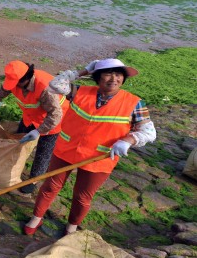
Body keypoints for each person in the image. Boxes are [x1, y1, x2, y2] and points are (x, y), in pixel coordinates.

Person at [23, 58, 156, 236]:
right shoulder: (79, 92)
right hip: (67, 150)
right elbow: (55, 85)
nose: (113, 79)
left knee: (82, 196)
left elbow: (149, 132)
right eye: (108, 74)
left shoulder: (134, 103)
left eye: (118, 75)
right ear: (98, 77)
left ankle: (71, 227)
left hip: (99, 158)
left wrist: (129, 140)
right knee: (50, 186)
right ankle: (36, 218)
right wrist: (83, 71)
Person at [0, 60, 68, 193]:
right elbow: (2, 91)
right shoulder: (14, 81)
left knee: (43, 152)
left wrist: (38, 131)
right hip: (29, 117)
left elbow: (55, 114)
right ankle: (13, 166)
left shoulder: (45, 88)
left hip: (53, 121)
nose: (15, 87)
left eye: (18, 84)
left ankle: (34, 180)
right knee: (18, 141)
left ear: (27, 77)